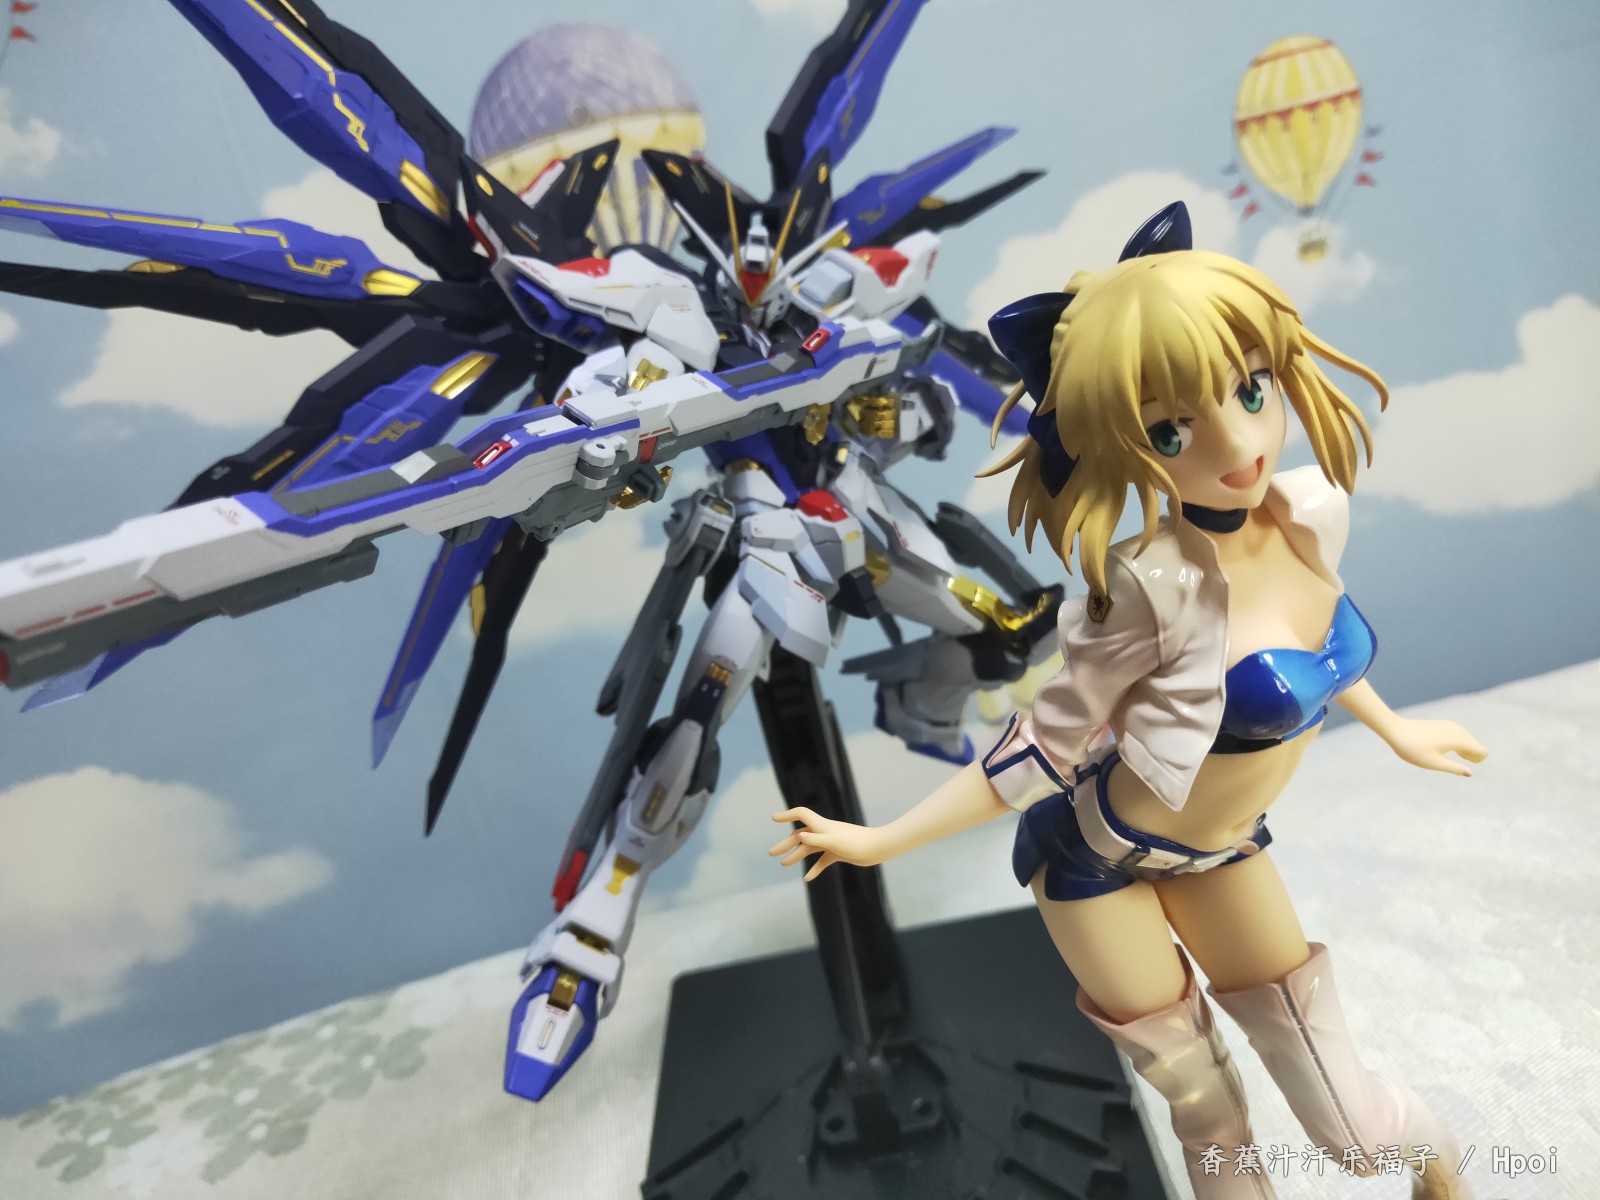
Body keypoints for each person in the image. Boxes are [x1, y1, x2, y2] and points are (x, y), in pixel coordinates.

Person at [768, 204, 1486, 1200]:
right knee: (1209, 1116)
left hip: (1224, 851)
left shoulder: (1307, 515)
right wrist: (879, 840)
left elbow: (1320, 651)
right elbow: (1038, 746)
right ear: (1122, 444)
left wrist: (1397, 729)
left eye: (1251, 388)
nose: (1235, 440)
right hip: (1096, 862)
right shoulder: (1151, 585)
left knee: (1350, 1124)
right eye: (1170, 428)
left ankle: (1437, 1165)